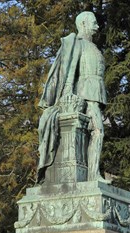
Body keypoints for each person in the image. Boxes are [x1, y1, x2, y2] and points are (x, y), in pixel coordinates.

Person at [37, 11, 106, 183]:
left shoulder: (94, 47)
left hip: (94, 93)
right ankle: (93, 174)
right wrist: (67, 92)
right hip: (84, 93)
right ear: (83, 24)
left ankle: (93, 173)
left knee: (96, 132)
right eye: (94, 22)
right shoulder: (78, 43)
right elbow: (70, 69)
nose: (97, 26)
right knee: (98, 130)